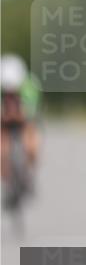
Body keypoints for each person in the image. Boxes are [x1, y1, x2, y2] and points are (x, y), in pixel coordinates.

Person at [1, 54, 42, 204]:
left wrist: (16, 116)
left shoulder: (30, 86)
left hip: (25, 120)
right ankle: (6, 180)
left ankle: (29, 173)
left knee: (31, 144)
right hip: (5, 121)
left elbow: (30, 114)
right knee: (2, 148)